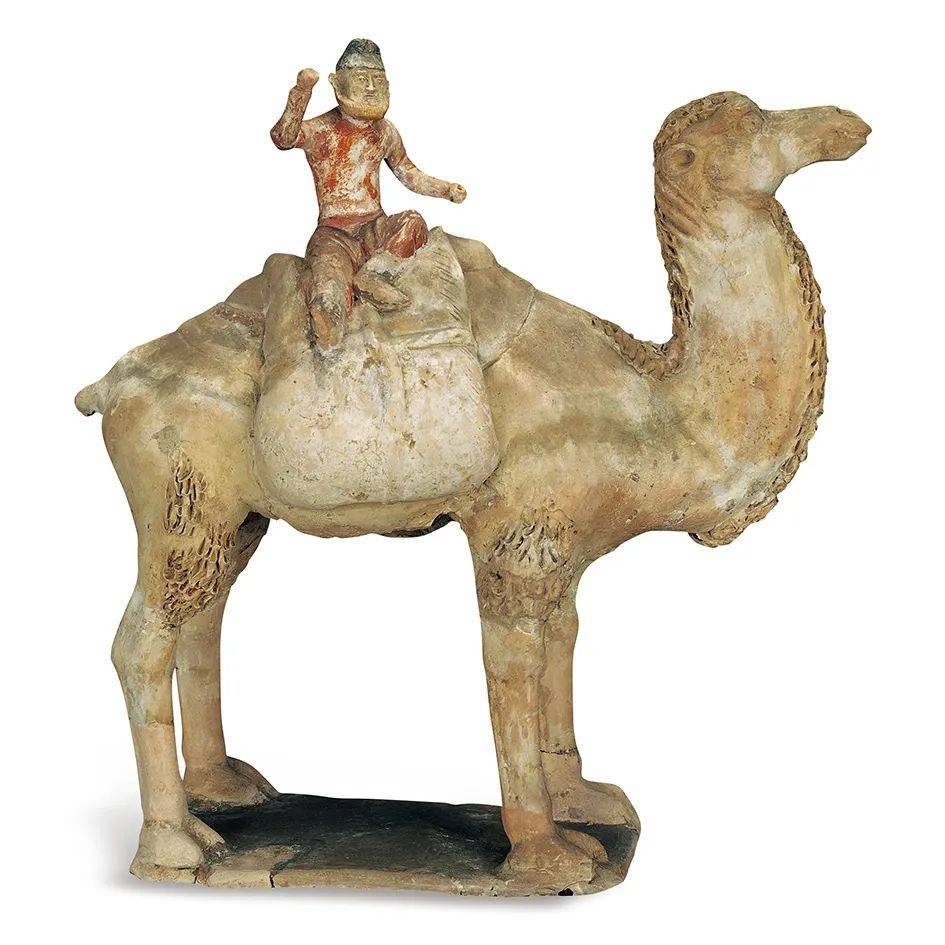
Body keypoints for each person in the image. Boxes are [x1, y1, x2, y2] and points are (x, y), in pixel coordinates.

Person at [271, 38, 467, 351]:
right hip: (334, 236)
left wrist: (446, 189)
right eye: (362, 80)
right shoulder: (321, 130)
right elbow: (284, 137)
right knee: (326, 300)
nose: (372, 88)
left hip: (375, 228)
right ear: (337, 83)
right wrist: (301, 92)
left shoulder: (385, 131)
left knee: (412, 222)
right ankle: (329, 343)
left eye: (378, 80)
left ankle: (374, 275)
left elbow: (408, 172)